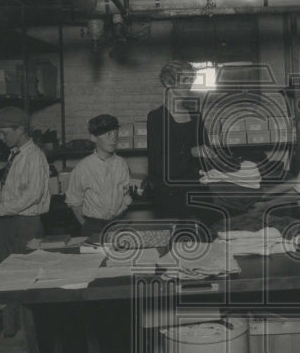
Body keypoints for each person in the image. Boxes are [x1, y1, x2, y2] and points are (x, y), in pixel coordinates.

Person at [146, 60, 213, 221]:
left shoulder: (195, 115)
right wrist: (190, 152)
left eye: (191, 81)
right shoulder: (156, 118)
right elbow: (157, 164)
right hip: (171, 194)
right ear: (169, 83)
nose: (189, 86)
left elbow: (205, 148)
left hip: (198, 189)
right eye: (185, 81)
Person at [0, 106, 50, 264]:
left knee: (23, 270)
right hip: (9, 221)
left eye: (4, 133)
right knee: (2, 268)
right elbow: (14, 188)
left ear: (20, 129)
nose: (1, 137)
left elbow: (32, 196)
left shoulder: (34, 156)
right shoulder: (15, 153)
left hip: (25, 225)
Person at [65, 114, 141, 240]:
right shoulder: (83, 167)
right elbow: (74, 201)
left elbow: (125, 193)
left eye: (115, 134)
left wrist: (123, 210)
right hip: (93, 226)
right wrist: (86, 224)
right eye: (107, 134)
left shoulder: (121, 163)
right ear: (94, 138)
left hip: (118, 223)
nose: (113, 139)